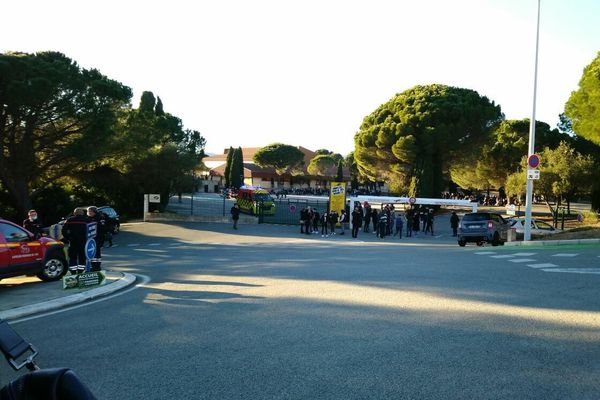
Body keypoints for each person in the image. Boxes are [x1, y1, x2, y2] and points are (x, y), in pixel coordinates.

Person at [62, 208, 89, 274]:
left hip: (73, 241)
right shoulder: (86, 220)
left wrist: (68, 238)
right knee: (82, 257)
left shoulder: (70, 220)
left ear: (74, 213)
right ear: (82, 213)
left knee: (72, 257)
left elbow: (63, 230)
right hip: (83, 242)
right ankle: (80, 271)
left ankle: (73, 272)